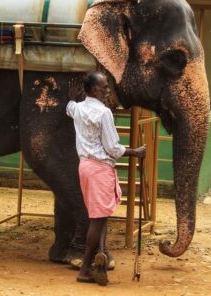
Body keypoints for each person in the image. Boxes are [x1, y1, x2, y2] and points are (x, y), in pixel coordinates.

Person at [66, 71, 146, 286]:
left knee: (100, 215)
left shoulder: (78, 108)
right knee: (98, 218)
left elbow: (69, 109)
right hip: (100, 168)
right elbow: (112, 148)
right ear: (92, 90)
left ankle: (100, 256)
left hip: (85, 167)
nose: (108, 89)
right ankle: (85, 269)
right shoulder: (104, 113)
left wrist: (72, 97)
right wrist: (134, 152)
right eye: (103, 87)